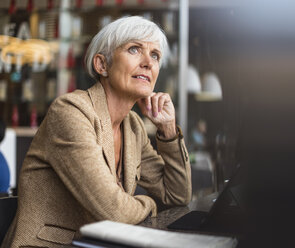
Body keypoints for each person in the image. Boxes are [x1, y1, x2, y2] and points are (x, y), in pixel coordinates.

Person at [1, 16, 191, 248]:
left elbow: (177, 195)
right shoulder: (71, 111)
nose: (148, 63)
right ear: (102, 65)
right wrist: (150, 204)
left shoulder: (133, 126)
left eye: (155, 55)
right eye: (134, 49)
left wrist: (168, 129)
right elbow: (113, 211)